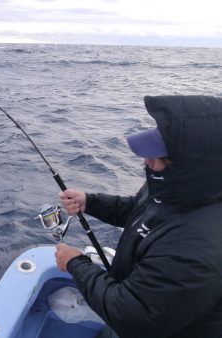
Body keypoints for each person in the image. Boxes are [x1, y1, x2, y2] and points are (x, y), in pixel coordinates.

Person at [55, 95, 222, 338]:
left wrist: (75, 263)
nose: (146, 160)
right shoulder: (179, 187)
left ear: (191, 165)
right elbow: (141, 209)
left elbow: (132, 317)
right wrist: (89, 201)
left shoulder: (194, 249)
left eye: (157, 156)